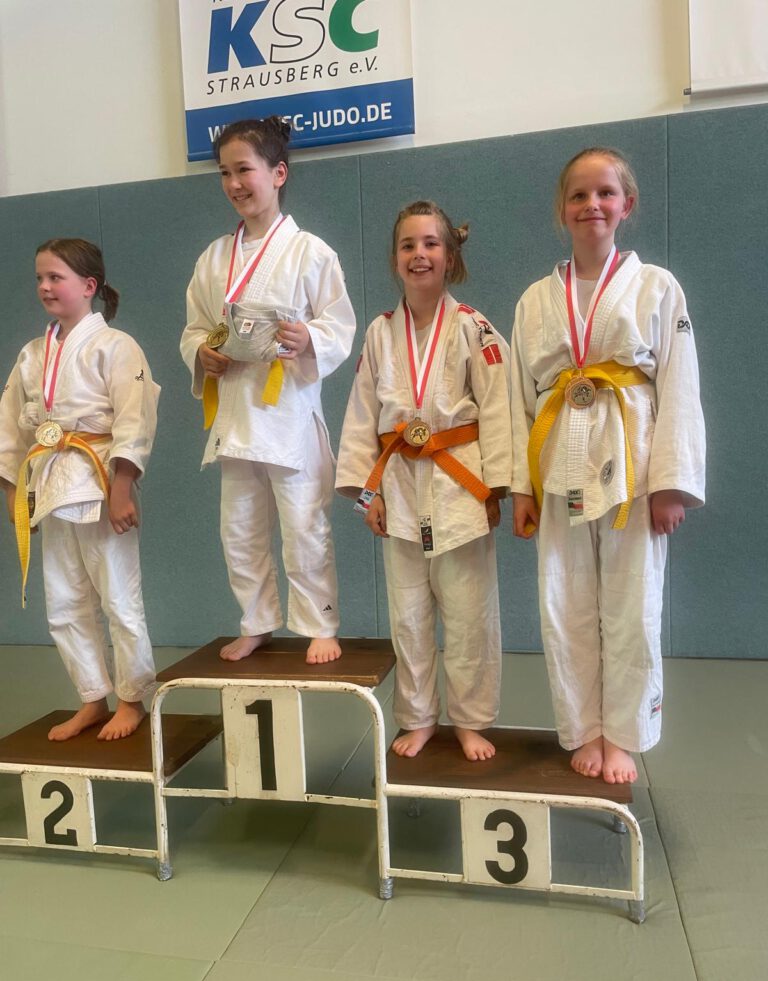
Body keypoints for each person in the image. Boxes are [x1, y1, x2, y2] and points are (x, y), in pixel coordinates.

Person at [510, 147, 705, 784]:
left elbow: (679, 385)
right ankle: (584, 728)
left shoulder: (658, 286)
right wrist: (521, 487)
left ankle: (623, 734)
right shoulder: (535, 298)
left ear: (627, 205)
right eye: (578, 195)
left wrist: (672, 484)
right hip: (558, 458)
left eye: (605, 193)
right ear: (561, 209)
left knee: (632, 602)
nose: (591, 204)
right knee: (563, 600)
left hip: (634, 465)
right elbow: (517, 397)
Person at [336, 200, 511, 760]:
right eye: (408, 245)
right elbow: (362, 417)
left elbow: (500, 408)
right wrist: (366, 494)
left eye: (431, 244)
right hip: (400, 489)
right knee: (409, 616)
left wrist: (498, 487)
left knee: (469, 615)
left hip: (460, 489)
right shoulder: (380, 332)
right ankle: (417, 718)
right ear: (395, 259)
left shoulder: (474, 327)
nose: (419, 254)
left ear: (450, 256)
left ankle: (470, 719)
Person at [180, 117, 355, 665]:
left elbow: (340, 325)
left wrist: (310, 338)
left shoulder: (310, 252)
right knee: (240, 530)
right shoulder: (214, 258)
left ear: (278, 173)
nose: (234, 183)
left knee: (304, 524)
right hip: (236, 414)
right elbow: (194, 328)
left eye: (244, 170)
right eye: (224, 173)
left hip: (288, 413)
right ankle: (255, 620)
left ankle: (319, 622)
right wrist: (201, 353)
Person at [0, 238, 160, 741]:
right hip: (49, 485)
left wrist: (122, 488)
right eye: (40, 278)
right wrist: (12, 492)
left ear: (89, 286)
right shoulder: (32, 354)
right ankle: (92, 697)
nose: (45, 287)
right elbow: (10, 428)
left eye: (56, 277)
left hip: (98, 480)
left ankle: (132, 698)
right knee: (65, 602)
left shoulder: (116, 346)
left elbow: (135, 419)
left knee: (118, 597)